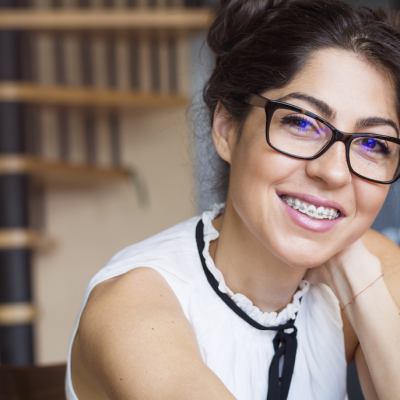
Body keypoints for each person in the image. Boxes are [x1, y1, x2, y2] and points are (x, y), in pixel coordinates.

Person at [66, 1, 400, 399]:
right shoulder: (134, 306)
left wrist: (356, 268)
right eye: (301, 122)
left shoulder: (371, 266)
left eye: (372, 143)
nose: (332, 172)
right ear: (226, 129)